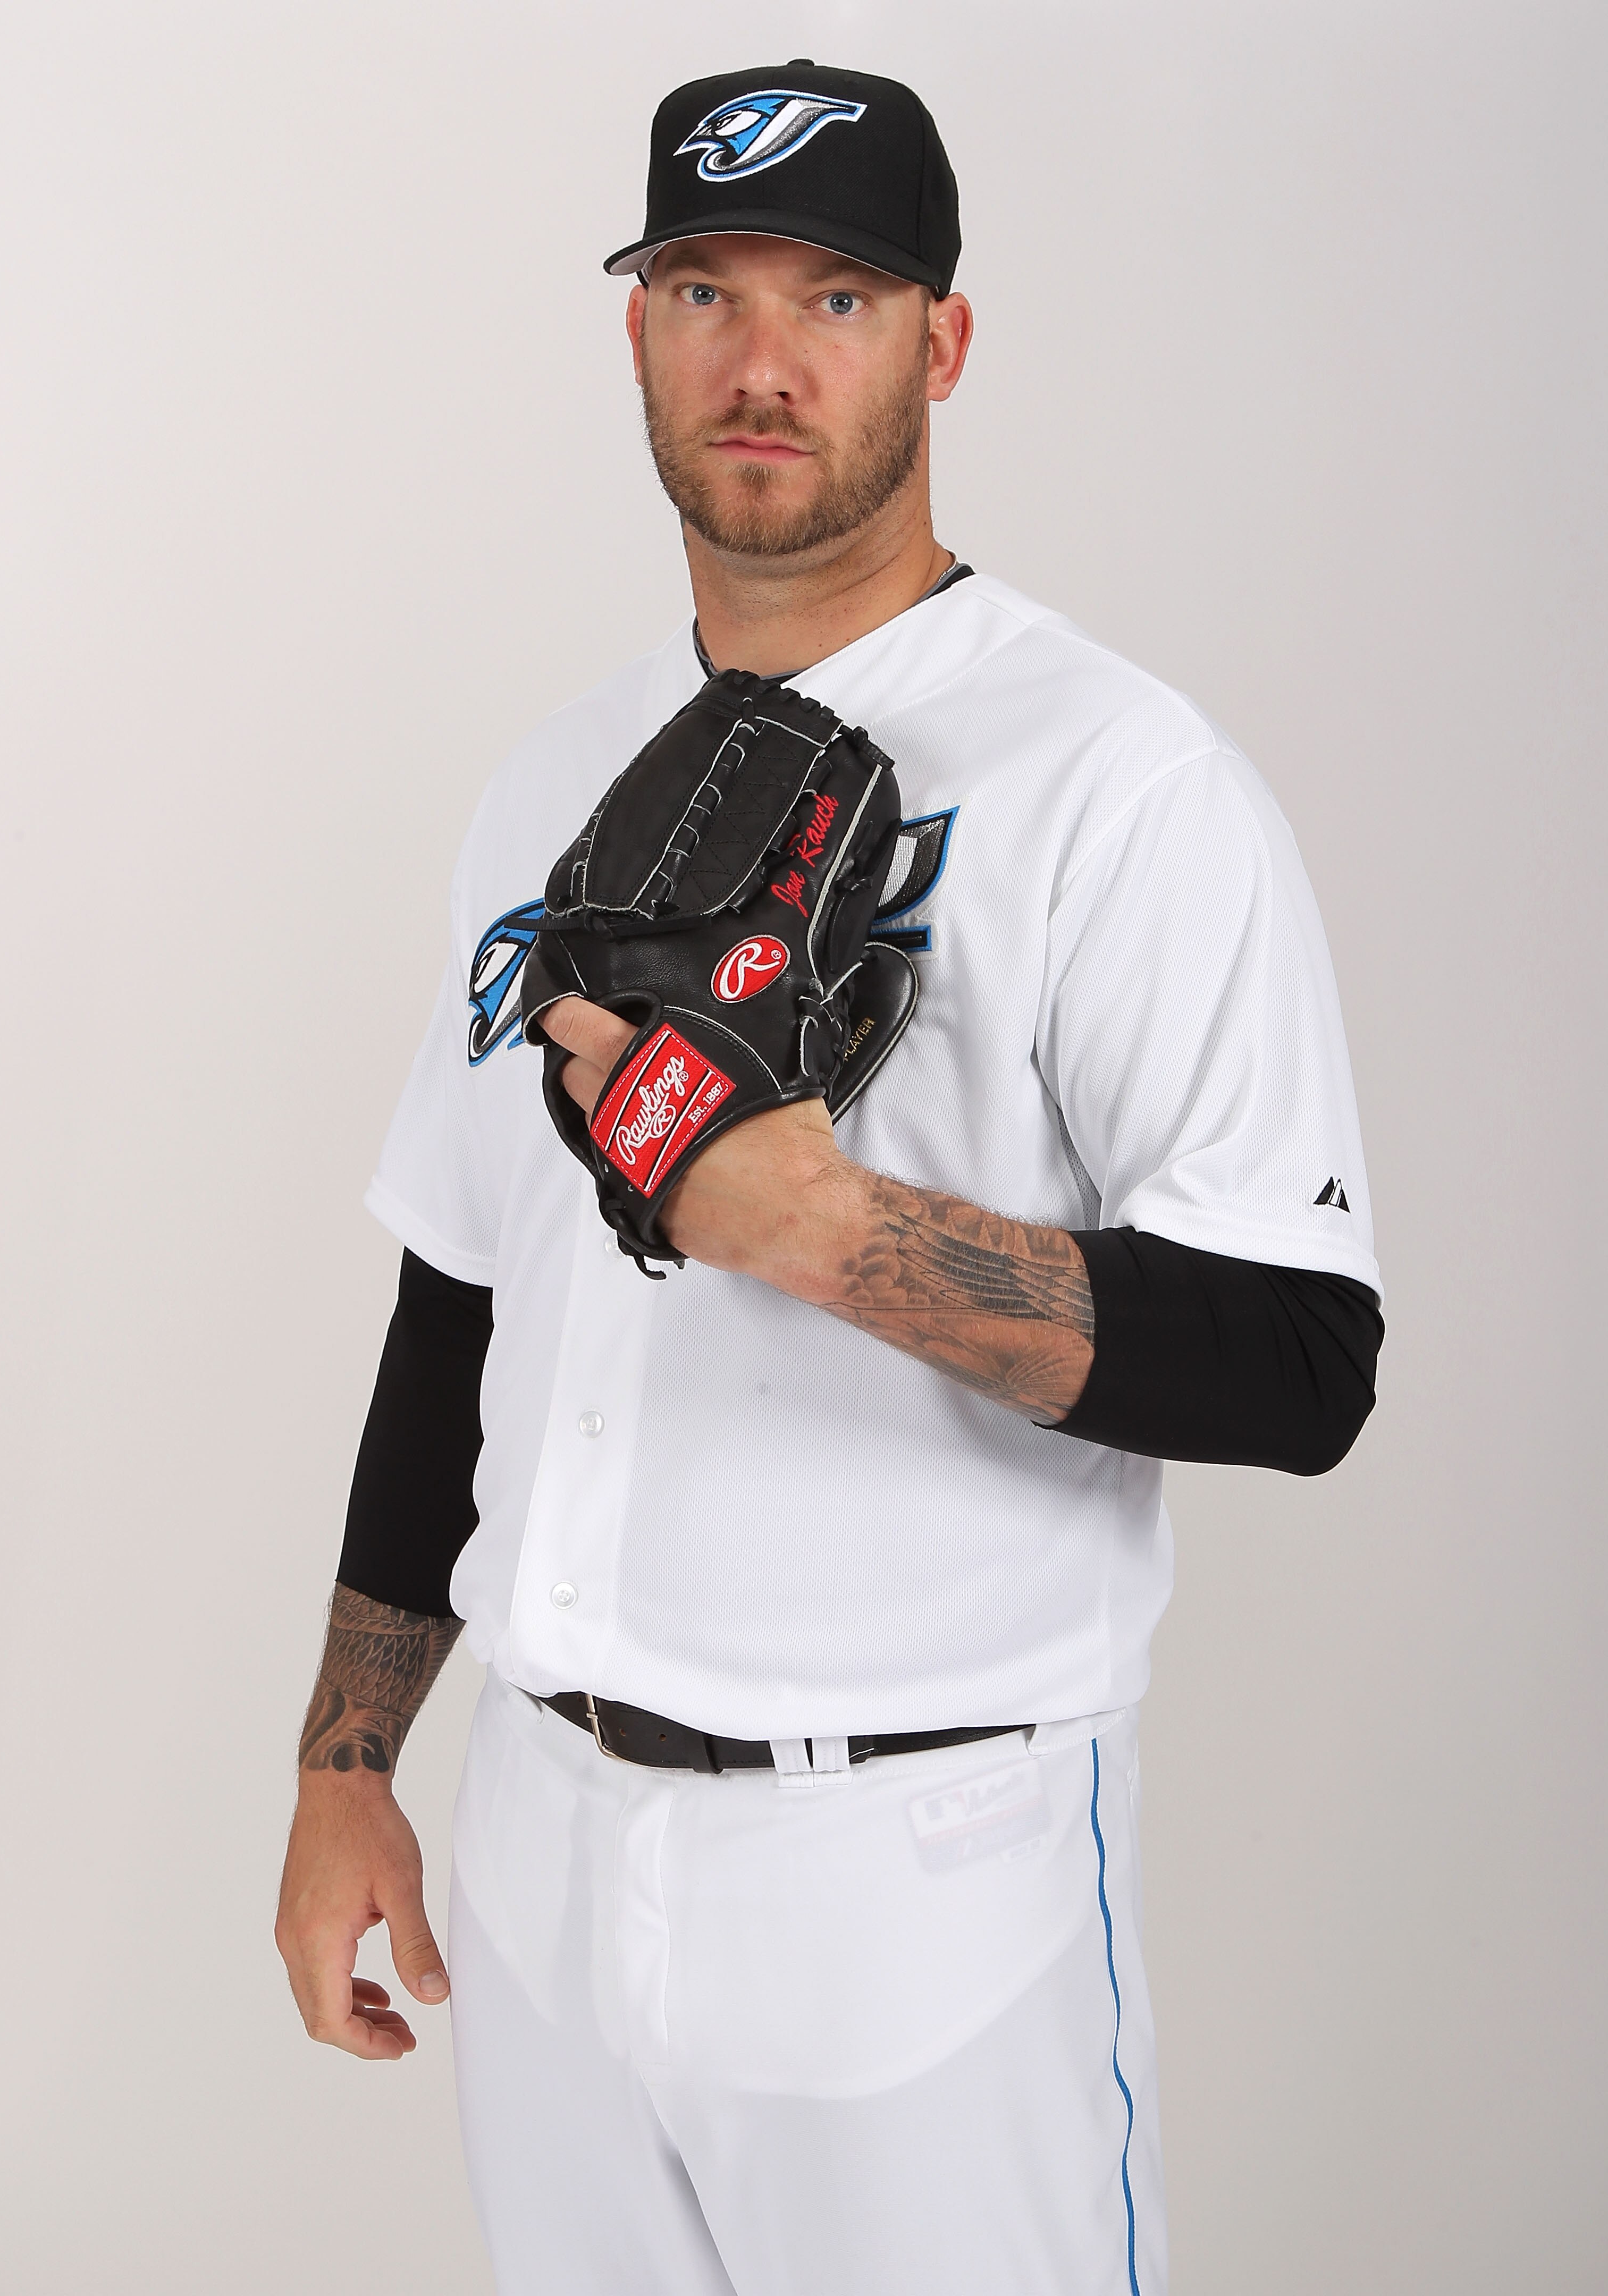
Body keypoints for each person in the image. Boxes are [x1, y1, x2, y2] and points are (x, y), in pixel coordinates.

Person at [275, 60, 1382, 2296]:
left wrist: (843, 1235)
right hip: (547, 1857)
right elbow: (462, 1297)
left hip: (919, 1869)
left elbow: (1301, 1359)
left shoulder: (1120, 784)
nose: (761, 359)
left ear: (940, 344)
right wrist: (346, 1761)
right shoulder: (550, 779)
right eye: (704, 286)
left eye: (839, 293)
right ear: (637, 332)